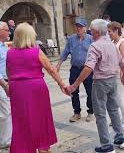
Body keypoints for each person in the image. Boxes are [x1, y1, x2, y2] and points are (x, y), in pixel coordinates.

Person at [66, 19, 124, 153]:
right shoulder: (112, 44)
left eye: (92, 31)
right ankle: (120, 137)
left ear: (96, 32)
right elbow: (122, 62)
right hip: (113, 80)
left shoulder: (95, 46)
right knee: (113, 109)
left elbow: (88, 67)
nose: (90, 33)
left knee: (100, 114)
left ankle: (106, 145)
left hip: (100, 82)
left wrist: (75, 84)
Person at [7, 23, 68, 152]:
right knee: (40, 117)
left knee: (21, 120)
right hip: (36, 88)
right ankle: (42, 146)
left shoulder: (10, 53)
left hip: (17, 89)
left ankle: (24, 148)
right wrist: (62, 84)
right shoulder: (36, 52)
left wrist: (10, 86)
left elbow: (9, 72)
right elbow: (51, 69)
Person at [56, 18, 94, 123]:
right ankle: (77, 112)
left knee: (90, 91)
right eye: (77, 26)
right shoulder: (71, 39)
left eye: (80, 26)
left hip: (87, 69)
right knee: (73, 90)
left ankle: (91, 111)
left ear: (85, 28)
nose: (78, 28)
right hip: (75, 69)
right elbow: (65, 52)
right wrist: (58, 65)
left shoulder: (91, 39)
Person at [108, 21, 124, 130]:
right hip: (114, 74)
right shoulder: (113, 42)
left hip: (121, 74)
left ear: (116, 31)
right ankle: (116, 119)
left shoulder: (122, 43)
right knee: (114, 99)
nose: (108, 34)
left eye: (110, 31)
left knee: (120, 99)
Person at [0, 22, 11, 149]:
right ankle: (5, 141)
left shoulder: (4, 46)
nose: (9, 32)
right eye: (7, 30)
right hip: (1, 83)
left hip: (7, 81)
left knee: (6, 110)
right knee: (5, 111)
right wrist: (4, 84)